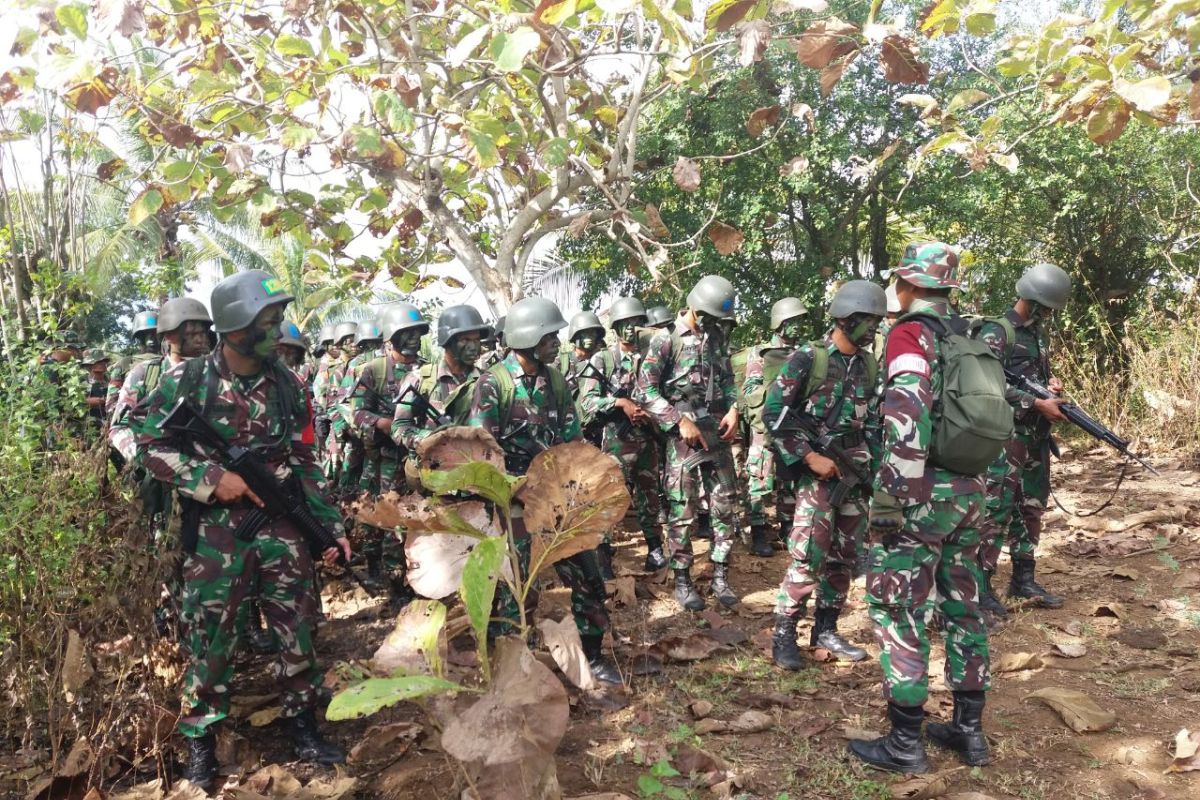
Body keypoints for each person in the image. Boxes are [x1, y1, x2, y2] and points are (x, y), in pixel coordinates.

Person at [130, 270, 350, 790]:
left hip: (281, 523)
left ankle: (303, 724)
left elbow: (304, 461)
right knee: (211, 636)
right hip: (215, 535)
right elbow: (148, 446)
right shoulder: (185, 382)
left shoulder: (288, 385)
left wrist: (329, 525)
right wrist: (211, 478)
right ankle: (202, 741)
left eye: (278, 318)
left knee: (297, 623)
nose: (279, 329)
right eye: (269, 320)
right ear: (236, 326)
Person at [849, 242, 991, 774]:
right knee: (963, 604)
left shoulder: (909, 333)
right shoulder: (967, 335)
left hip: (922, 493)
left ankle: (905, 745)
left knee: (898, 606)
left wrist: (890, 496)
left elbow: (906, 417)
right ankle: (969, 733)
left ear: (907, 286)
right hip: (971, 492)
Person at [467, 297, 621, 685]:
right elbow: (481, 454)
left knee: (588, 573)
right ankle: (509, 664)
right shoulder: (493, 384)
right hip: (512, 502)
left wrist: (579, 487)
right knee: (516, 589)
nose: (557, 342)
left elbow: (571, 440)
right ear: (527, 338)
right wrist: (516, 491)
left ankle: (593, 653)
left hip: (555, 498)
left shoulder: (555, 381)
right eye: (549, 335)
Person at [763, 282, 884, 667]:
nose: (875, 330)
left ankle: (826, 629)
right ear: (847, 320)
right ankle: (785, 633)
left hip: (854, 471)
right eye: (871, 322)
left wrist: (876, 470)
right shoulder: (807, 359)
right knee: (808, 553)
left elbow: (875, 422)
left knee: (845, 556)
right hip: (819, 475)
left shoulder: (867, 364)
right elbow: (774, 414)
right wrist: (808, 456)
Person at [637, 276, 741, 611]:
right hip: (683, 439)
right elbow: (646, 391)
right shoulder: (665, 341)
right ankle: (682, 577)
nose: (713, 324)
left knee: (725, 502)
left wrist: (734, 409)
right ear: (694, 308)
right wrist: (677, 420)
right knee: (682, 508)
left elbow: (726, 379)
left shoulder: (716, 339)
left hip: (717, 433)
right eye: (708, 317)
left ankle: (721, 574)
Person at [975, 263, 1074, 612]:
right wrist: (1034, 401)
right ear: (1029, 299)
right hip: (1004, 436)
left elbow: (1030, 378)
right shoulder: (996, 333)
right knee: (996, 509)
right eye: (1044, 307)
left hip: (1035, 436)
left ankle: (1023, 579)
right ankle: (981, 586)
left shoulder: (1036, 334)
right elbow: (984, 384)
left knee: (1031, 506)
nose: (1048, 314)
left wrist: (1050, 391)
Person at [344, 303, 430, 603]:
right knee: (392, 515)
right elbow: (354, 411)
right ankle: (395, 583)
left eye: (417, 333)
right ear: (390, 338)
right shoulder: (375, 370)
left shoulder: (426, 370)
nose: (413, 340)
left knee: (422, 514)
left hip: (421, 455)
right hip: (387, 458)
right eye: (406, 334)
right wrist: (381, 422)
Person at [578, 297, 666, 573]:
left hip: (648, 438)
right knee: (610, 497)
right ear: (615, 328)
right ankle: (603, 557)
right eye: (625, 325)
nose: (631, 330)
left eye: (636, 324)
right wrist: (620, 404)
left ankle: (655, 549)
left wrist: (649, 413)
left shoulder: (653, 357)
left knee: (650, 495)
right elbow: (587, 401)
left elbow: (665, 394)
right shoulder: (603, 359)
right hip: (617, 438)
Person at [110, 298, 213, 469]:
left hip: (210, 475)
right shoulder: (145, 373)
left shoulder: (215, 372)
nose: (200, 339)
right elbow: (119, 427)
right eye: (192, 334)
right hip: (157, 472)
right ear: (170, 335)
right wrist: (147, 459)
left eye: (202, 333)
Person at [742, 297, 807, 558]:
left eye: (800, 321)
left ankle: (788, 528)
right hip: (765, 427)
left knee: (790, 479)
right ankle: (758, 531)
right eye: (792, 322)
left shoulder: (806, 352)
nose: (798, 327)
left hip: (794, 426)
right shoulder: (759, 354)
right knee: (759, 478)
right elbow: (750, 390)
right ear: (779, 324)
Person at [313, 320, 358, 483]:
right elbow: (326, 400)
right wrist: (342, 426)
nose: (353, 345)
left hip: (353, 424)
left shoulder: (357, 365)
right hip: (336, 423)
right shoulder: (330, 369)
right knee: (334, 465)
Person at [107, 310, 161, 414]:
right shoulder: (126, 363)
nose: (152, 339)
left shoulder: (169, 361)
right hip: (132, 419)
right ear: (140, 338)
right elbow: (112, 402)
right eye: (147, 335)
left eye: (155, 334)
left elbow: (111, 404)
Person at [560, 311, 605, 397]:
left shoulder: (603, 360)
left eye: (593, 332)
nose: (590, 336)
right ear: (576, 335)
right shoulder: (562, 362)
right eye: (585, 332)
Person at [80, 349, 111, 431]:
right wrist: (87, 401)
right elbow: (73, 402)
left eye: (104, 361)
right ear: (90, 365)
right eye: (99, 362)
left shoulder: (110, 379)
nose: (103, 364)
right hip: (90, 424)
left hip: (109, 420)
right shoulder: (82, 381)